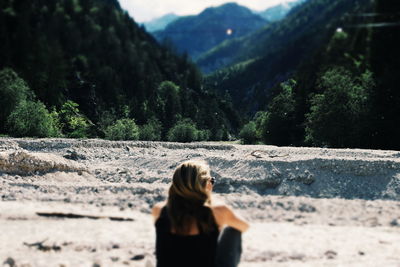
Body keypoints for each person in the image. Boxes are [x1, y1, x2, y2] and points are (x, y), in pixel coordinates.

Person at [152, 160, 249, 267]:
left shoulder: (159, 210)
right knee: (232, 230)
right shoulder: (217, 211)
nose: (212, 184)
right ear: (206, 184)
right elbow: (244, 226)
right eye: (211, 181)